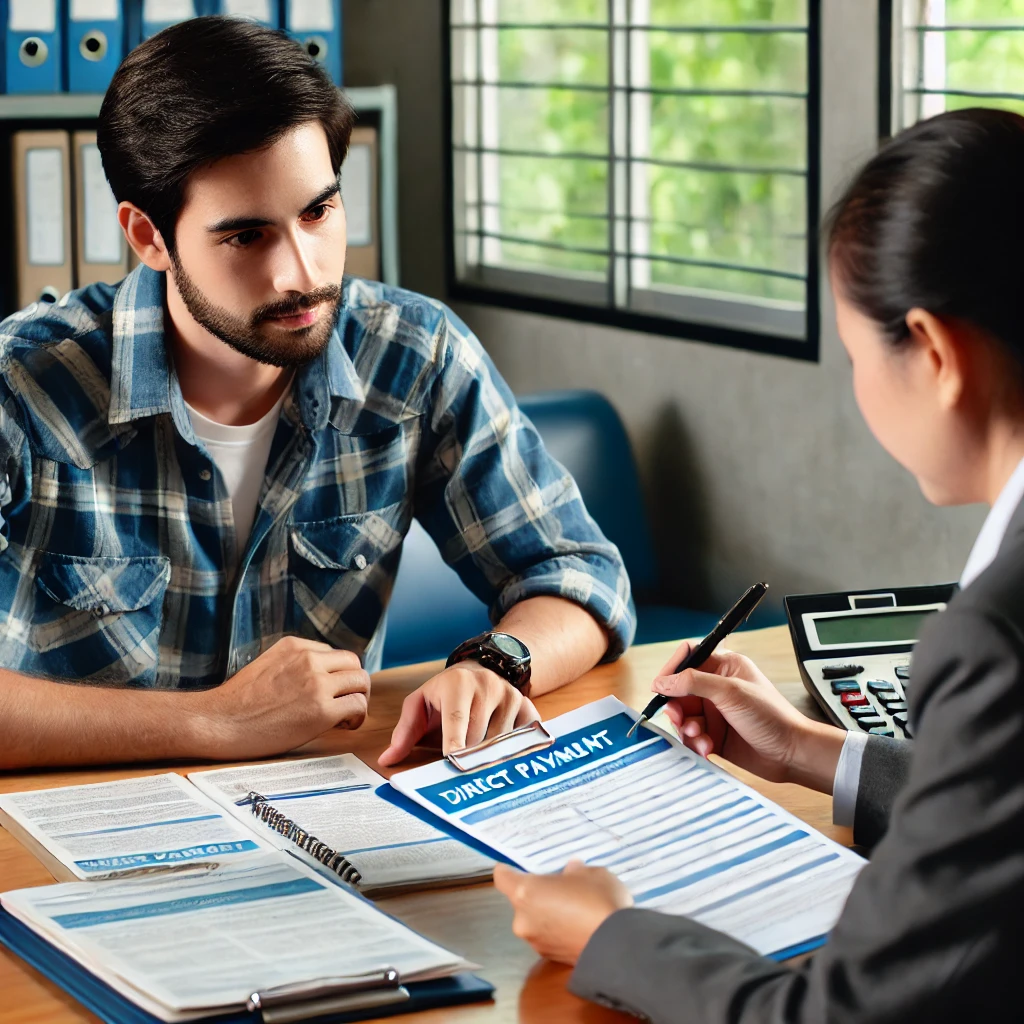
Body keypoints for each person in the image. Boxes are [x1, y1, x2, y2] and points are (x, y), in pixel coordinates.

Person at [494, 107, 1024, 1022]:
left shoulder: (990, 637)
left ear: (935, 353)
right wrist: (812, 750)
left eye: (855, 356)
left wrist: (609, 935)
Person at [0, 17, 633, 771]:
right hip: (69, 827)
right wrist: (213, 723)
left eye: (318, 211)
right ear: (148, 237)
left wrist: (497, 663)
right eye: (246, 236)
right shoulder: (20, 386)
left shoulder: (415, 355)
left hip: (332, 812)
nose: (302, 273)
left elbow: (578, 573)